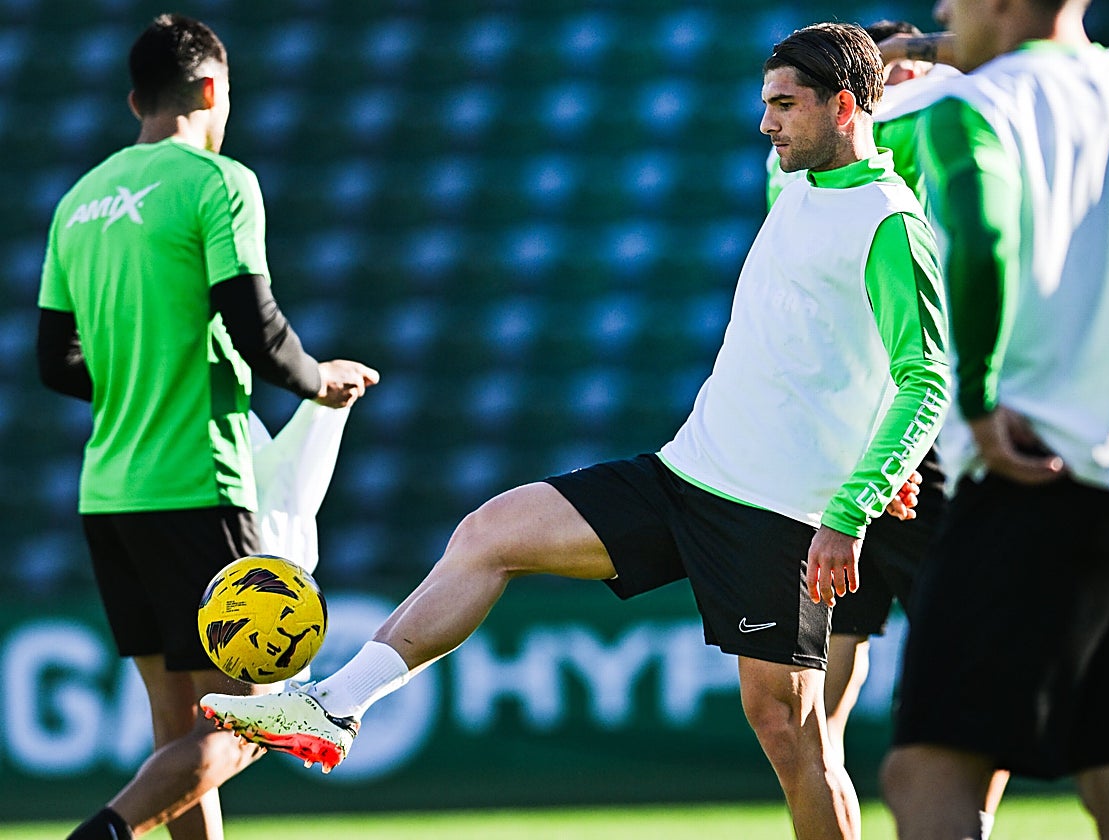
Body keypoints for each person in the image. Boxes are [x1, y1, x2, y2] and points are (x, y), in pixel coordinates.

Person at [202, 22, 949, 839]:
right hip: (686, 475)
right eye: (764, 103)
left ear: (844, 108)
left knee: (795, 738)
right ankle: (337, 705)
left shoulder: (888, 221)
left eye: (783, 105)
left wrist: (855, 505)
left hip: (778, 519)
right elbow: (848, 352)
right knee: (491, 532)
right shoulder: (798, 184)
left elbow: (924, 378)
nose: (765, 123)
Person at [36, 14, 378, 840]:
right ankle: (109, 831)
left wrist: (141, 378)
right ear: (214, 88)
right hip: (198, 483)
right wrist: (318, 379)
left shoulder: (78, 204)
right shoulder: (218, 183)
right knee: (257, 715)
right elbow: (257, 330)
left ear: (134, 100)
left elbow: (57, 362)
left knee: (177, 721)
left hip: (110, 493)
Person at [879, 1, 1109, 838]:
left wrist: (977, 401)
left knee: (927, 775)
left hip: (1032, 476)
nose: (943, 12)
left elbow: (980, 237)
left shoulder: (974, 106)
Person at [767, 20, 1008, 838]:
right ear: (859, 99)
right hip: (908, 444)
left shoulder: (813, 173)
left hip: (882, 439)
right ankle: (947, 821)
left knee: (866, 669)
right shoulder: (913, 146)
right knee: (863, 669)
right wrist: (924, 54)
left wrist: (907, 56)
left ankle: (949, 819)